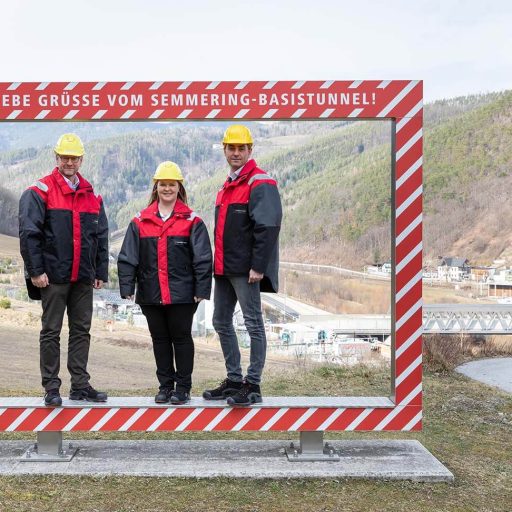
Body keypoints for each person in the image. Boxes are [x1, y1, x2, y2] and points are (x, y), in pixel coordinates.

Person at [19, 133, 109, 406]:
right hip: (53, 277)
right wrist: (35, 271)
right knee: (51, 331)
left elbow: (100, 236)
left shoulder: (92, 195)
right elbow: (29, 234)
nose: (69, 161)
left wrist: (100, 272)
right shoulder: (40, 191)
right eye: (64, 157)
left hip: (82, 276)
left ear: (81, 159)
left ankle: (80, 386)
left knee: (81, 331)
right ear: (56, 158)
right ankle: (51, 388)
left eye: (74, 157)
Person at [118, 161, 212, 404]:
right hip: (150, 292)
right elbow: (128, 256)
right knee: (159, 340)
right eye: (163, 185)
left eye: (172, 184)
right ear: (156, 187)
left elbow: (203, 258)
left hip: (183, 295)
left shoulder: (193, 221)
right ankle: (165, 386)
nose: (167, 189)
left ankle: (183, 388)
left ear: (179, 187)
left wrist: (201, 289)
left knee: (181, 338)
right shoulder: (140, 221)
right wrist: (127, 286)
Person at [203, 125, 282, 406]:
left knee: (253, 324)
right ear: (225, 150)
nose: (236, 153)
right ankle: (234, 380)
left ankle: (253, 385)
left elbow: (269, 225)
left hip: (247, 269)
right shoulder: (228, 184)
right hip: (225, 267)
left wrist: (258, 266)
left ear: (250, 150)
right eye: (231, 148)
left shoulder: (260, 182)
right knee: (220, 321)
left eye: (241, 148)